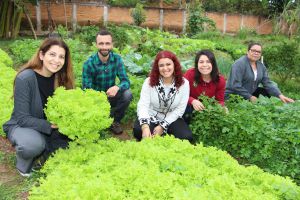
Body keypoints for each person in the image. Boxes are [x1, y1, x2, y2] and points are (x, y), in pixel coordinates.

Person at [2, 38, 75, 177]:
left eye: (61, 57)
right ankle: (24, 162)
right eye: (52, 54)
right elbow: (22, 118)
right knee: (33, 145)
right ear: (42, 55)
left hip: (50, 126)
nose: (57, 60)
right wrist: (51, 125)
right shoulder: (25, 78)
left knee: (73, 144)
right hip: (23, 125)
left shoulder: (61, 78)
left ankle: (45, 151)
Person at [133, 50, 192, 142]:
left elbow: (180, 109)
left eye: (168, 64)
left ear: (174, 65)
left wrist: (162, 126)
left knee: (186, 137)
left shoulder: (184, 84)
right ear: (157, 68)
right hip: (152, 115)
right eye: (161, 65)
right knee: (138, 131)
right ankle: (159, 134)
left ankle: (162, 133)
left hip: (172, 117)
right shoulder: (149, 82)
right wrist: (145, 127)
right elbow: (143, 105)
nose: (165, 68)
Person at [82, 30, 132, 135]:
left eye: (107, 43)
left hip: (111, 96)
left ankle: (115, 120)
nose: (104, 46)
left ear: (112, 45)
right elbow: (86, 88)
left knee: (127, 94)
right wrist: (99, 97)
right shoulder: (89, 63)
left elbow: (126, 81)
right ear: (96, 45)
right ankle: (102, 117)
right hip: (95, 99)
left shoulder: (117, 59)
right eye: (101, 43)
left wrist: (117, 87)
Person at [225, 42, 294, 103]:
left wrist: (280, 95)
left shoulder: (261, 66)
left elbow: (267, 83)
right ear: (248, 51)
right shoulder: (239, 64)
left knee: (266, 92)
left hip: (248, 93)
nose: (256, 53)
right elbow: (235, 85)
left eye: (258, 52)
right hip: (234, 96)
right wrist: (250, 97)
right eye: (253, 51)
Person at [183, 50, 226, 124]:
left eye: (208, 62)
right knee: (187, 110)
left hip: (207, 109)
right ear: (197, 64)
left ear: (213, 64)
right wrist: (192, 101)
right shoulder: (190, 74)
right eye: (201, 62)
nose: (205, 65)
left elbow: (220, 100)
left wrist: (222, 107)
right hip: (189, 107)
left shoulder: (220, 80)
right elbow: (180, 93)